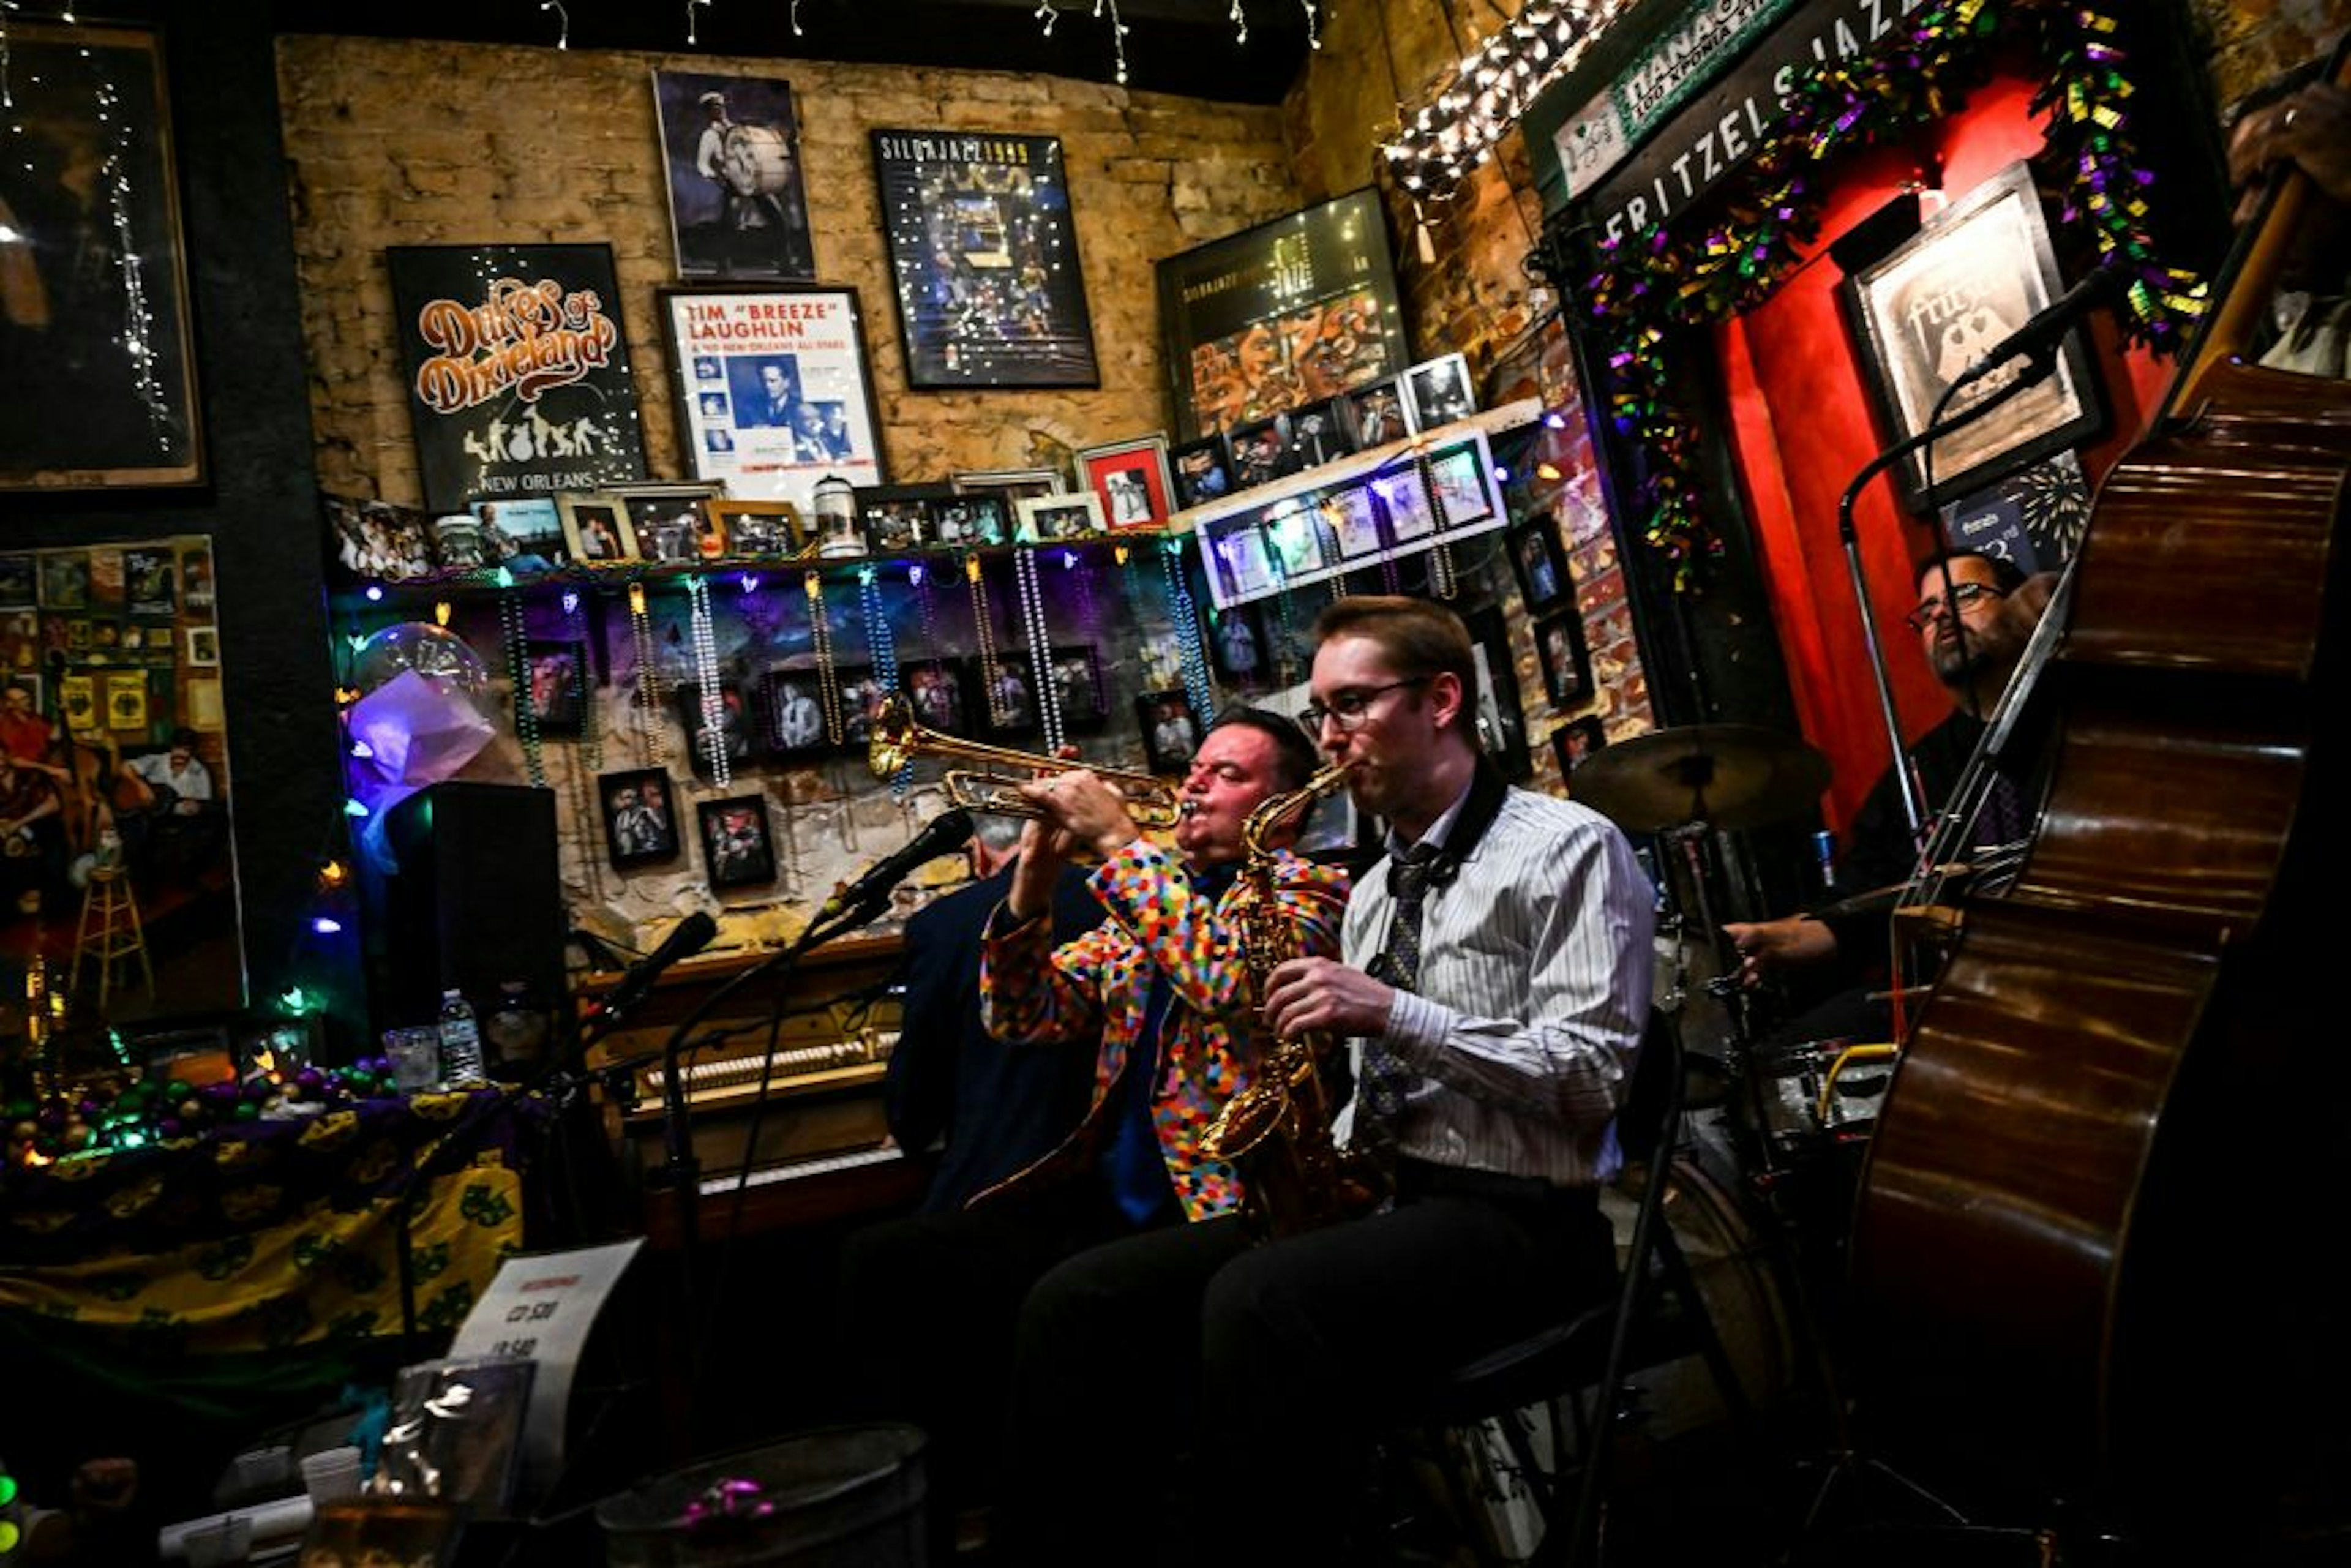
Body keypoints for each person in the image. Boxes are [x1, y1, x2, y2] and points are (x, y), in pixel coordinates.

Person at [992, 596, 1655, 1562]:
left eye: (1351, 706)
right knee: (1079, 1299)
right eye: (1321, 715)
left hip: (1526, 1219)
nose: (1332, 737)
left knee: (1261, 1300)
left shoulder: (1566, 847)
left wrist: (1390, 1012)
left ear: (1441, 700)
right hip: (1389, 1197)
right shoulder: (1383, 886)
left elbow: (1593, 1079)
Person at [835, 711, 1346, 1551]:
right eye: (1196, 767)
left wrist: (1116, 837)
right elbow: (1024, 1015)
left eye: (1228, 773)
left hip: (1244, 1205)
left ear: (1282, 810)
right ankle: (909, 1529)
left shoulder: (1309, 889)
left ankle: (1047, 1535)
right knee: (889, 1262)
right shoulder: (1148, 905)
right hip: (1122, 1199)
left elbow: (1225, 980)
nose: (1193, 783)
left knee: (1069, 1305)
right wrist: (1035, 872)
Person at [1725, 549, 2049, 1032]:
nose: (1941, 614)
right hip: (1965, 996)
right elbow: (1862, 902)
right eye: (1928, 609)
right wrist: (1775, 937)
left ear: (2017, 608)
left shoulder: (2077, 718)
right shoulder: (1915, 772)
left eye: (1964, 595)